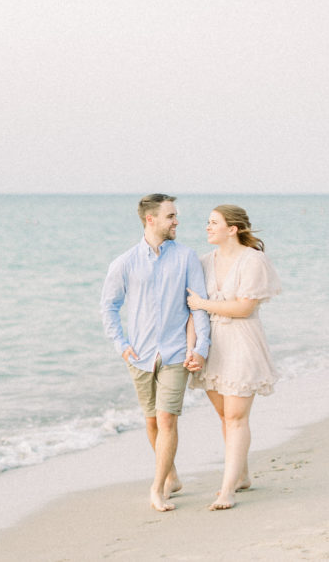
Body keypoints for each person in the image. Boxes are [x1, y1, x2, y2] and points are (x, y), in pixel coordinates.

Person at [101, 194, 211, 512]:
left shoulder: (187, 257)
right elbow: (108, 306)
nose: (176, 221)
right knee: (151, 422)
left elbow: (198, 305)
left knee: (167, 419)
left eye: (175, 216)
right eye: (171, 216)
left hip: (177, 353)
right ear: (151, 220)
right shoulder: (124, 263)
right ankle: (171, 477)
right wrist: (120, 344)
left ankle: (156, 488)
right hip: (139, 356)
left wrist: (201, 348)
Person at [186, 204, 281, 511]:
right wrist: (193, 348)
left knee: (237, 417)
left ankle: (227, 489)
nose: (207, 227)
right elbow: (191, 310)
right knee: (225, 416)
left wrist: (203, 303)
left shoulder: (253, 260)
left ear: (233, 229)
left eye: (214, 222)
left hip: (241, 342)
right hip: (212, 345)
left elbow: (244, 308)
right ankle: (242, 475)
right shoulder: (203, 262)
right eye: (207, 222)